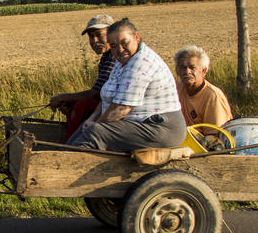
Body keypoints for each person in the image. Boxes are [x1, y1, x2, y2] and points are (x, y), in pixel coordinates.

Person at [65, 18, 186, 152]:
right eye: (114, 46)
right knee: (86, 128)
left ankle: (64, 169)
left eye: (124, 43)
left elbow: (121, 109)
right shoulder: (122, 61)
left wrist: (97, 124)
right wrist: (92, 119)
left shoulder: (140, 63)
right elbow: (107, 96)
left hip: (159, 128)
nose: (120, 49)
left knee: (95, 133)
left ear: (137, 37)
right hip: (138, 124)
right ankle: (59, 159)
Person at [49, 14, 116, 136]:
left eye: (98, 35)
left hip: (117, 108)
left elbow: (95, 94)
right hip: (108, 104)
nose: (94, 41)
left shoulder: (115, 56)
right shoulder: (106, 57)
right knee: (76, 105)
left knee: (81, 106)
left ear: (112, 34)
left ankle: (73, 147)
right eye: (91, 37)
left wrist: (62, 98)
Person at [174, 45, 233, 126]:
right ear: (177, 71)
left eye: (192, 67)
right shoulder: (177, 89)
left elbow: (215, 135)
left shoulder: (212, 97)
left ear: (204, 71)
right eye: (183, 67)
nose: (187, 71)